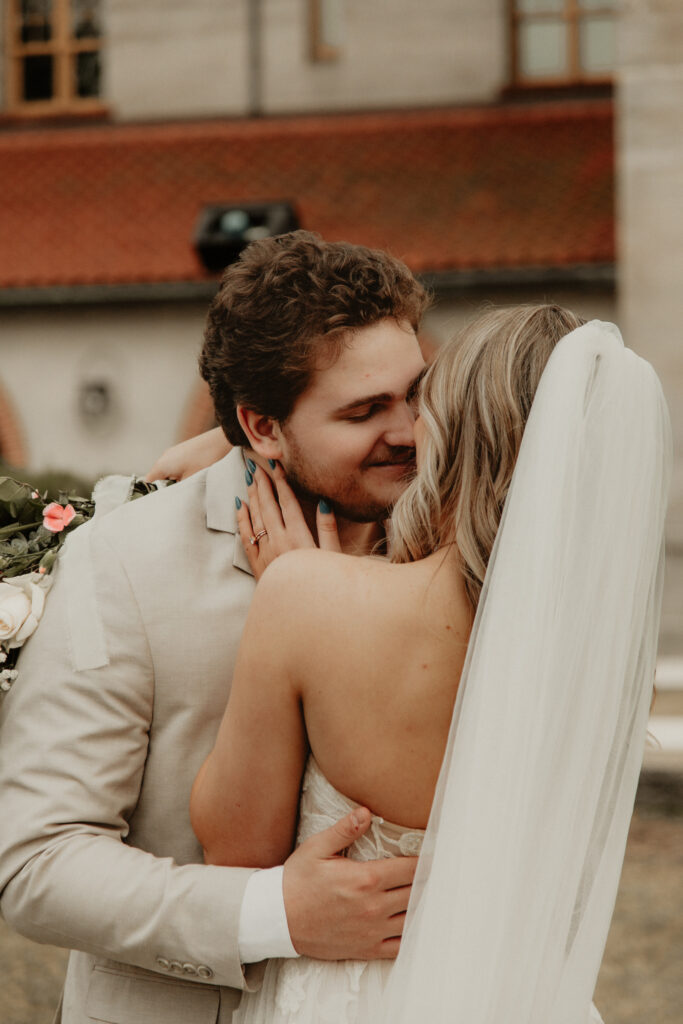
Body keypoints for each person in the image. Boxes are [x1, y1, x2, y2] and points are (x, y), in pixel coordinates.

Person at [189, 305, 671, 1023]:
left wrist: (304, 592)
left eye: (424, 403)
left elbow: (235, 857)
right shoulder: (596, 652)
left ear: (457, 434)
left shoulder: (305, 594)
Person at [0, 232, 430, 1023]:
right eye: (366, 410)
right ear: (260, 427)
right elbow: (40, 863)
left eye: (417, 393)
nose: (411, 431)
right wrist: (273, 914)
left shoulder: (453, 542)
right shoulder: (123, 561)